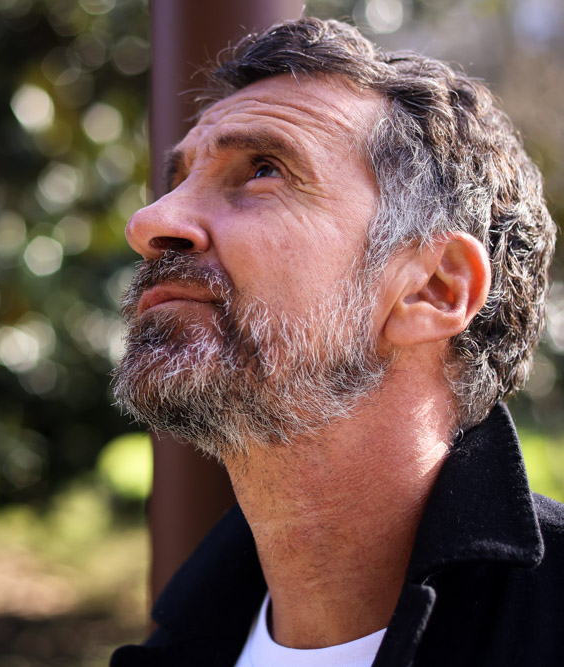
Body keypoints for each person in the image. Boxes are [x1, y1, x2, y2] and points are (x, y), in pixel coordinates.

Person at [110, 17, 562, 667]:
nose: (150, 221)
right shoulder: (176, 645)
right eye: (177, 181)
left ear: (435, 288)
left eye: (263, 169)